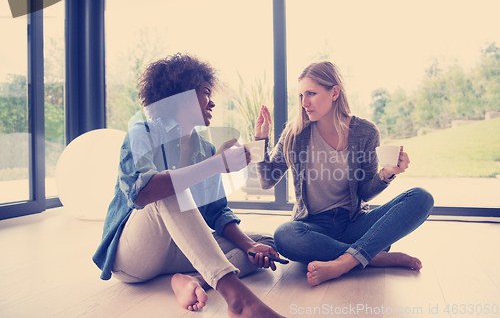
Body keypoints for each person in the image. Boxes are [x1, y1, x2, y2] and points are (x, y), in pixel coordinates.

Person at [93, 53, 284, 318]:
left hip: (179, 251)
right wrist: (216, 164)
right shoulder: (143, 132)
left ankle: (193, 279)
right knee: (170, 189)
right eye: (206, 92)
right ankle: (238, 300)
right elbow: (142, 194)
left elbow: (216, 212)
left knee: (264, 242)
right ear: (181, 97)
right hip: (134, 257)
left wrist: (250, 246)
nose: (213, 101)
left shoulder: (204, 149)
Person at [254, 61, 434, 287]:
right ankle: (374, 257)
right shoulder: (296, 132)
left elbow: (365, 194)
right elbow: (266, 180)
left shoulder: (365, 132)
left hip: (353, 223)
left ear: (334, 92)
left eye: (311, 93)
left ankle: (343, 263)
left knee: (422, 197)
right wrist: (260, 140)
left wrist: (386, 174)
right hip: (313, 228)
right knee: (284, 235)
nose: (304, 103)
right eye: (301, 95)